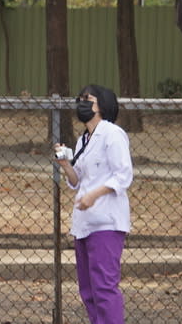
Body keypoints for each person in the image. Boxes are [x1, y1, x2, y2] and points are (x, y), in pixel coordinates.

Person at [54, 84, 133, 324]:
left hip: (106, 222)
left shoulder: (112, 133)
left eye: (88, 99)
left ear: (103, 105)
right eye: (80, 99)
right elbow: (77, 181)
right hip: (85, 224)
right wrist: (67, 166)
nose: (82, 103)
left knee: (104, 288)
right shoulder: (83, 140)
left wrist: (95, 195)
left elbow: (123, 175)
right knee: (88, 290)